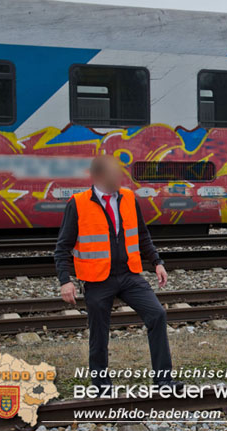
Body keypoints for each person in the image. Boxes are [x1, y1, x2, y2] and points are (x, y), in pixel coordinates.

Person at [54, 155, 181, 394]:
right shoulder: (78, 203)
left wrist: (157, 262)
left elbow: (142, 235)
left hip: (129, 275)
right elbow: (62, 247)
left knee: (157, 315)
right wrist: (65, 281)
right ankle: (101, 385)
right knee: (99, 332)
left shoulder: (128, 198)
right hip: (96, 279)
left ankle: (164, 382)